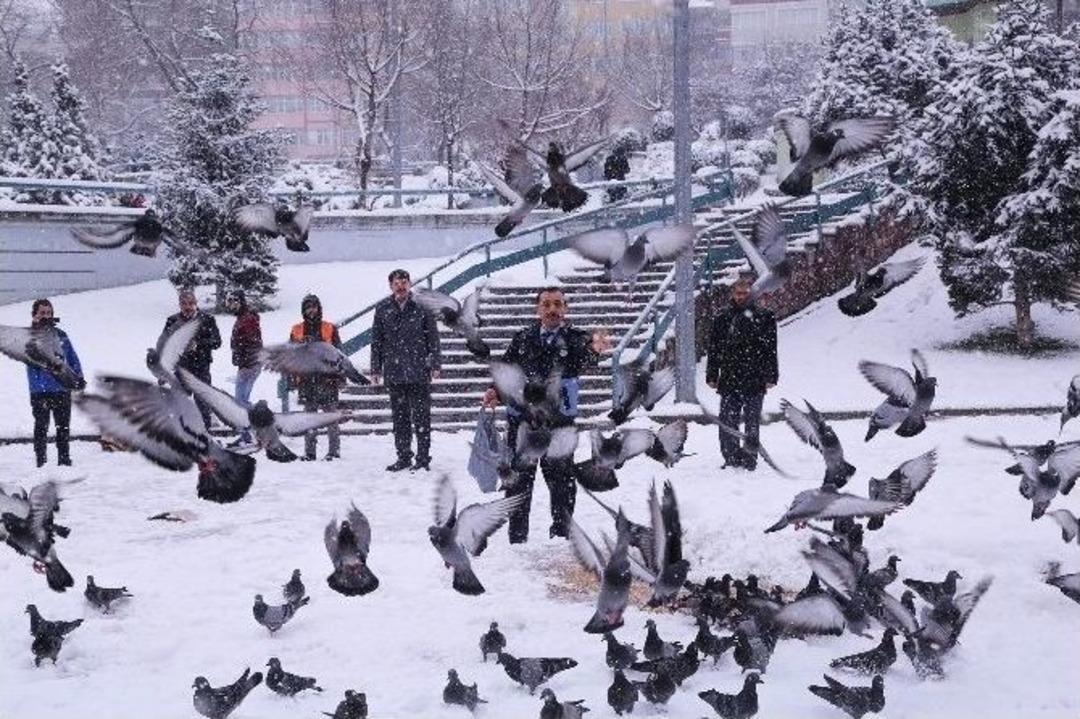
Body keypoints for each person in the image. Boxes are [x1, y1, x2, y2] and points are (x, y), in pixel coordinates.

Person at [482, 287, 611, 543]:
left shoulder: (576, 339)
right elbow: (508, 369)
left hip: (559, 424)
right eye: (547, 304)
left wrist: (596, 349)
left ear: (565, 309)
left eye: (557, 304)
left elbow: (585, 360)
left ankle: (562, 535)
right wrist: (494, 391)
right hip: (523, 423)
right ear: (537, 309)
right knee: (517, 483)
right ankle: (517, 539)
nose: (552, 309)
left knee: (562, 483)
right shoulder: (522, 338)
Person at [371, 269, 441, 472]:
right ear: (390, 286)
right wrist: (376, 368)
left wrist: (435, 363)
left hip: (418, 370)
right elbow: (376, 340)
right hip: (394, 371)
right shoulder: (383, 308)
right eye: (396, 283)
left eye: (404, 282)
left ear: (409, 284)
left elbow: (433, 337)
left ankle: (423, 458)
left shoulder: (422, 306)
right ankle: (403, 456)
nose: (400, 286)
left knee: (421, 417)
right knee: (399, 418)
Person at [705, 277, 778, 471]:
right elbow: (714, 349)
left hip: (755, 376)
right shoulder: (722, 318)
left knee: (752, 422)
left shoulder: (764, 316)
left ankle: (749, 458)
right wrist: (712, 374)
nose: (742, 296)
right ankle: (731, 457)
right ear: (732, 294)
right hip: (730, 376)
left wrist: (771, 376)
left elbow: (770, 348)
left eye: (745, 293)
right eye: (738, 293)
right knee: (728, 421)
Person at [26, 299, 84, 467]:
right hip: (40, 391)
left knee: (63, 427)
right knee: (41, 427)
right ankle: (41, 461)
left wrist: (78, 378)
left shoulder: (61, 335)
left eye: (49, 313)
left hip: (61, 388)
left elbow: (72, 359)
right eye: (42, 313)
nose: (46, 316)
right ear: (34, 315)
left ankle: (64, 460)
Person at [290, 294, 344, 461]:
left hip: (327, 379)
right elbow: (290, 355)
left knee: (331, 417)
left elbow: (339, 353)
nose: (311, 310)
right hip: (306, 379)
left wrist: (339, 375)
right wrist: (292, 377)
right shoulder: (296, 329)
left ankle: (334, 451)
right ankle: (310, 452)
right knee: (309, 418)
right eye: (308, 307)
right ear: (303, 310)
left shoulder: (329, 328)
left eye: (314, 306)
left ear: (319, 308)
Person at [159, 288, 221, 429]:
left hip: (202, 368)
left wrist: (198, 344)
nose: (187, 307)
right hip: (181, 369)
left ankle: (206, 436)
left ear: (196, 303)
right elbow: (164, 346)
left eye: (190, 303)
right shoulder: (172, 321)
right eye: (184, 304)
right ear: (180, 304)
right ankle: (183, 436)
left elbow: (217, 342)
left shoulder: (207, 320)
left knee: (203, 404)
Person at [228, 290, 262, 446]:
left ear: (241, 302)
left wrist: (243, 354)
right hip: (247, 364)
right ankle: (247, 435)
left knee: (239, 403)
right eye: (230, 301)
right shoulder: (244, 317)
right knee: (241, 402)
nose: (231, 304)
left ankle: (263, 417)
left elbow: (253, 342)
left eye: (235, 301)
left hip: (249, 365)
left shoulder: (247, 319)